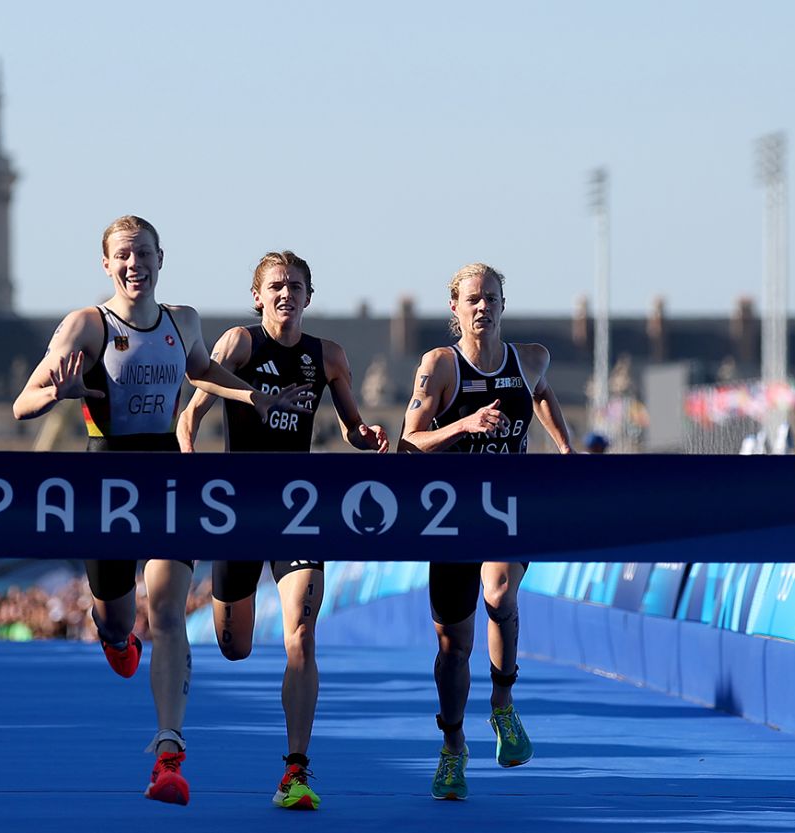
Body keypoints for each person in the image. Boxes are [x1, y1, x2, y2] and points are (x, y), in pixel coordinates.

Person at [12, 216, 313, 806]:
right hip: (110, 484)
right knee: (120, 619)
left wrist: (254, 393)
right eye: (123, 255)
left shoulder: (183, 321)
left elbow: (202, 369)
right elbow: (23, 404)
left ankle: (169, 755)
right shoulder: (86, 325)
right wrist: (59, 394)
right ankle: (114, 637)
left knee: (170, 614)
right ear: (107, 264)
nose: (134, 265)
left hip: (169, 484)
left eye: (144, 253)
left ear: (160, 258)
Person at [176, 250, 389, 810]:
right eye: (275, 286)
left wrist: (366, 436)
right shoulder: (238, 346)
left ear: (309, 297)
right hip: (240, 512)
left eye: (295, 286)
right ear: (257, 296)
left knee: (301, 632)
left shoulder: (329, 357)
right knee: (236, 647)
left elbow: (349, 427)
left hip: (298, 511)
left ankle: (296, 770)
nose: (285, 294)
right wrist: (193, 465)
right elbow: (188, 416)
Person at [399, 262, 573, 800]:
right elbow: (410, 441)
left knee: (501, 589)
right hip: (449, 518)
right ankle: (453, 746)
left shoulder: (530, 358)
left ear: (503, 304)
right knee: (454, 647)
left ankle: (503, 706)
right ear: (455, 308)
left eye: (491, 298)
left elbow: (541, 391)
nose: (482, 307)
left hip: (508, 510)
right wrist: (463, 426)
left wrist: (565, 448)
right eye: (472, 299)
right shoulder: (441, 366)